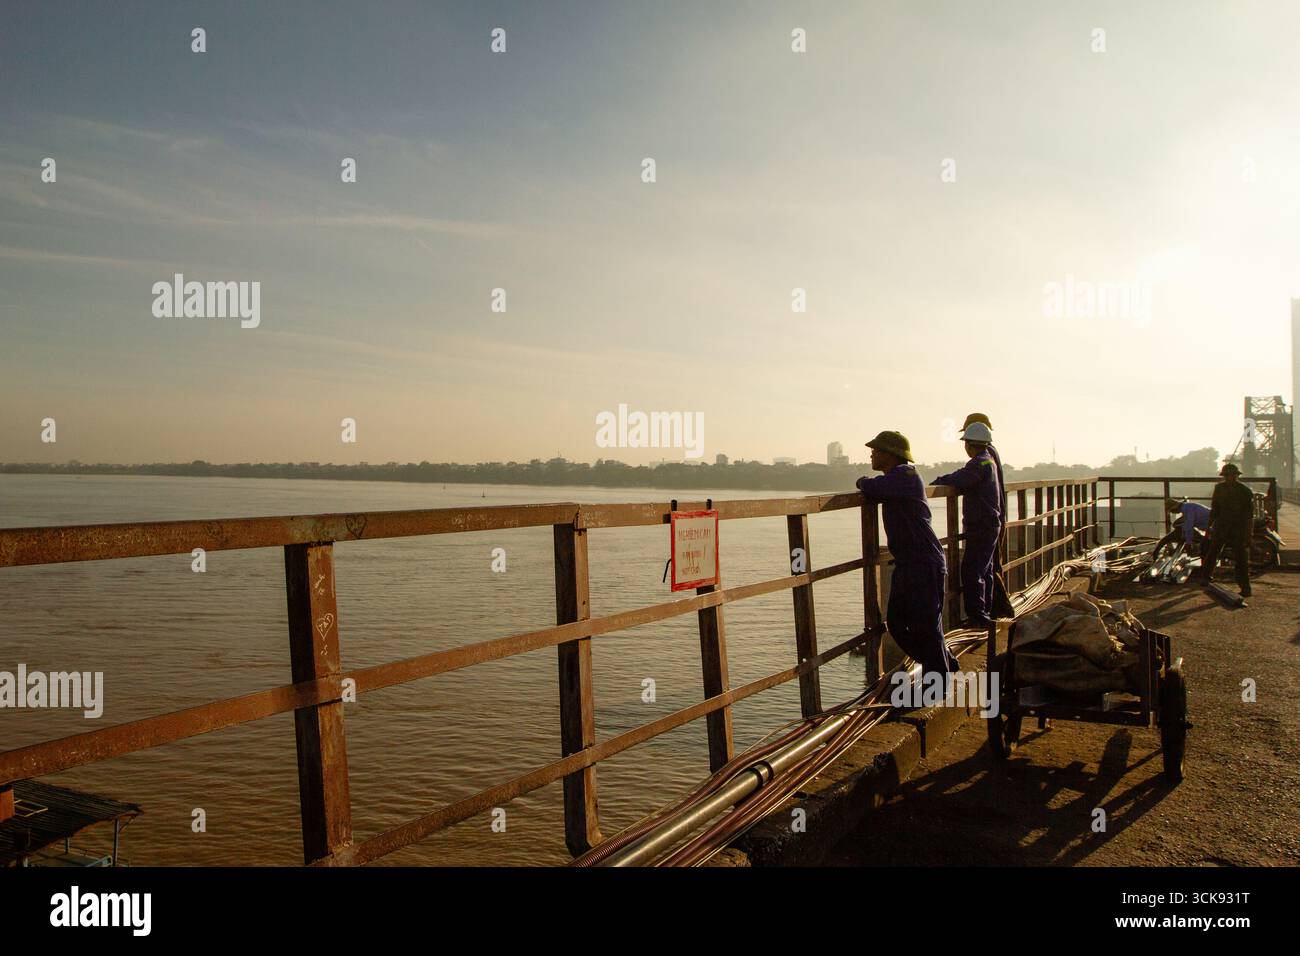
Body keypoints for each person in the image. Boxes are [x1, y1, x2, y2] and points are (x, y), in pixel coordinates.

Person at [856, 430, 958, 678]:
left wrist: (861, 481)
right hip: (909, 563)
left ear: (890, 455)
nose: (871, 453)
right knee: (898, 624)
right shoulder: (899, 478)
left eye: (876, 450)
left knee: (925, 626)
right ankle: (945, 664)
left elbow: (870, 486)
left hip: (923, 563)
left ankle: (939, 678)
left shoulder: (905, 476)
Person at [931, 422, 1001, 628]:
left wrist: (940, 480)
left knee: (972, 571)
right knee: (984, 570)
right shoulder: (989, 461)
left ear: (969, 445)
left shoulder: (979, 464)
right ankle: (984, 612)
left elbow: (961, 478)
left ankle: (978, 617)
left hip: (981, 526)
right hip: (989, 524)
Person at [963, 412, 1014, 617]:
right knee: (989, 567)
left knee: (977, 569)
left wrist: (942, 479)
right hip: (994, 519)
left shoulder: (983, 459)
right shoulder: (991, 454)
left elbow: (966, 477)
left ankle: (986, 614)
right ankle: (992, 612)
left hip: (985, 521)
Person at [1197, 463, 1254, 597]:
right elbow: (1215, 509)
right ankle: (1206, 577)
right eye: (1227, 476)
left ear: (1236, 476)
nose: (1229, 478)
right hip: (1221, 526)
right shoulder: (1219, 489)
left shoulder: (1245, 491)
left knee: (1241, 558)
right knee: (1213, 552)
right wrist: (1208, 528)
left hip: (1238, 528)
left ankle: (1245, 587)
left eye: (1231, 475)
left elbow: (1249, 516)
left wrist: (1249, 533)